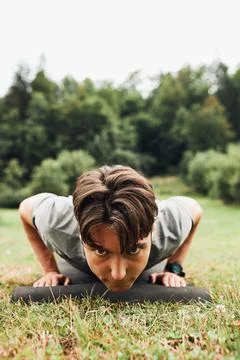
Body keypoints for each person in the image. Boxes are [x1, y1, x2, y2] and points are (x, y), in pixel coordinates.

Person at [19, 165, 202, 293]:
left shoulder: (170, 225)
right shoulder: (56, 223)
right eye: (100, 250)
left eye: (133, 249)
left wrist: (173, 268)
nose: (118, 275)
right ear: (80, 232)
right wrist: (50, 270)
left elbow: (195, 210)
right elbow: (25, 209)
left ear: (153, 228)